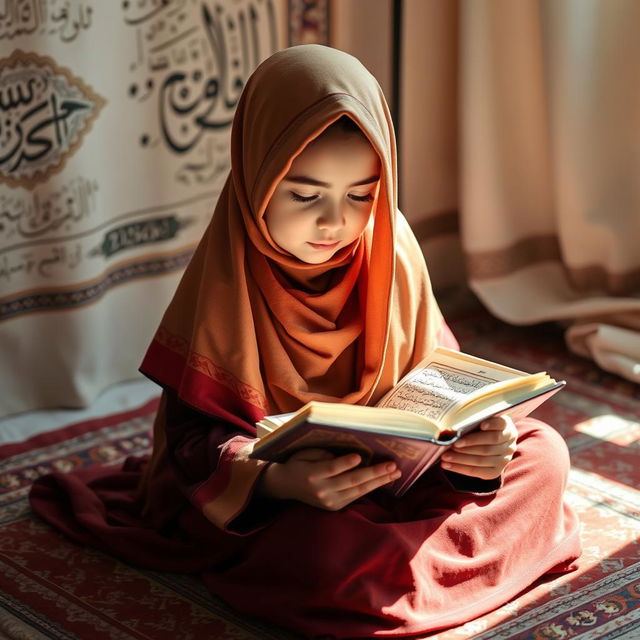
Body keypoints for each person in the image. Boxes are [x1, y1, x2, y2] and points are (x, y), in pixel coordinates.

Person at [30, 45, 581, 639]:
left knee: (543, 453)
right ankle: (439, 565)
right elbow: (191, 442)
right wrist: (276, 481)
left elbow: (437, 384)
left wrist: (478, 450)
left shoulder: (390, 249)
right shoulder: (229, 270)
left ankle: (392, 572)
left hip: (401, 480)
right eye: (304, 194)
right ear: (257, 177)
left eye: (361, 194)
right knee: (320, 549)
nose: (334, 223)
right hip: (298, 499)